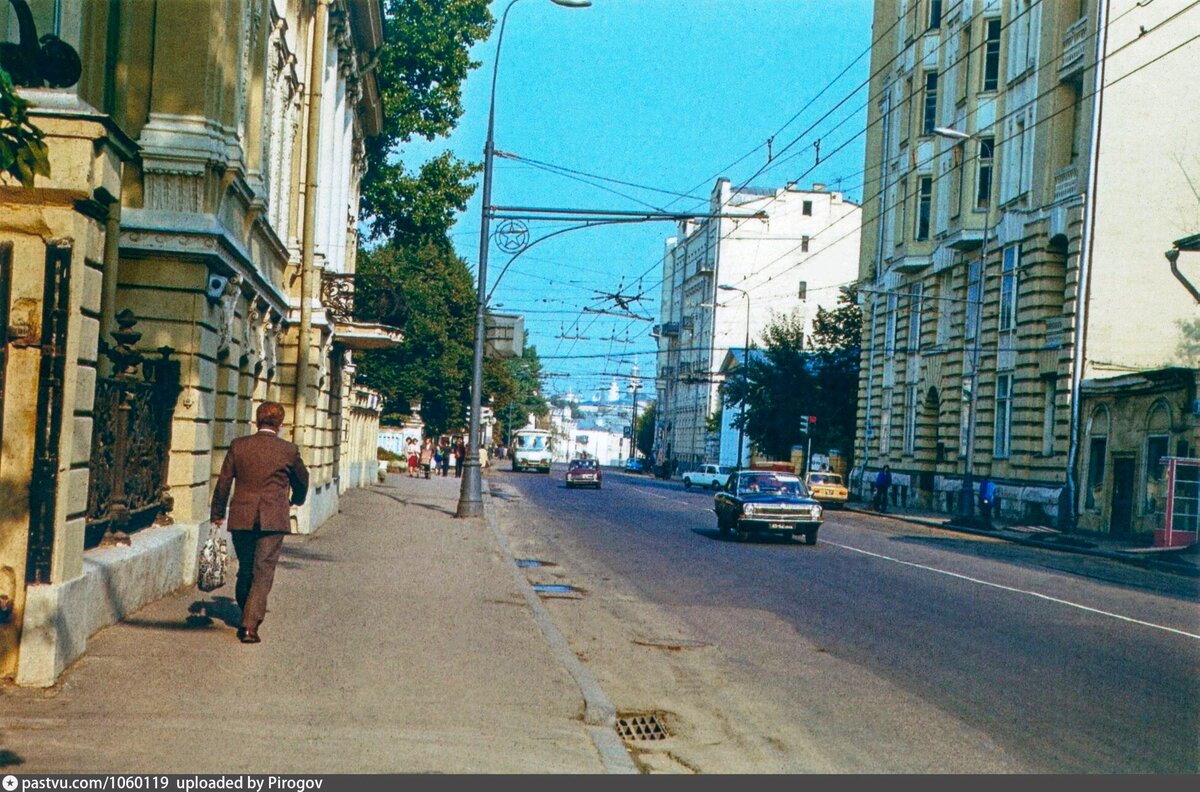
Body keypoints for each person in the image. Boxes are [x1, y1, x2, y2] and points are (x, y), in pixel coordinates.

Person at [210, 401, 309, 645]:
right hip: (274, 517)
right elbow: (302, 480)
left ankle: (248, 614)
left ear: (257, 421)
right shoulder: (288, 450)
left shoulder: (239, 446)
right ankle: (249, 626)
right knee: (263, 570)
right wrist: (296, 499)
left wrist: (217, 512)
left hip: (242, 515)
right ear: (280, 424)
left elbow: (223, 482)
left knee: (246, 567)